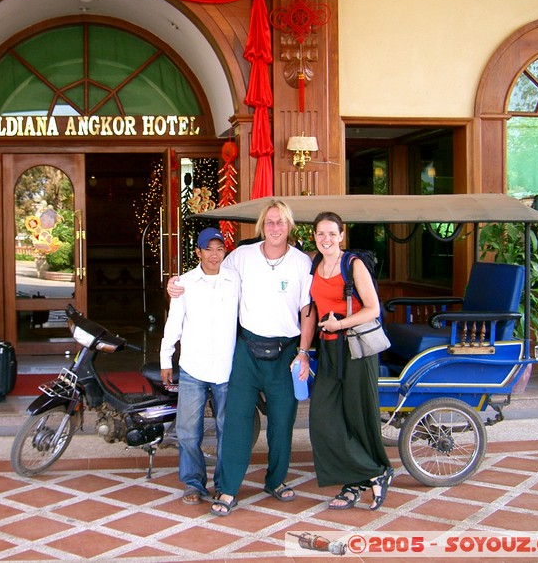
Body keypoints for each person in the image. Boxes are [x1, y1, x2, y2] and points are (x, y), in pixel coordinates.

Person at [168, 199, 316, 517]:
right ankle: (228, 489)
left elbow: (307, 312)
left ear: (289, 226)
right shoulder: (241, 257)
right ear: (262, 225)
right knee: (235, 421)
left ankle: (275, 481)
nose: (276, 227)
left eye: (281, 222)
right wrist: (176, 283)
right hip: (246, 351)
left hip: (286, 352)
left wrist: (303, 352)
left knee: (281, 422)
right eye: (271, 221)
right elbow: (209, 272)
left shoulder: (302, 263)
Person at [307, 211, 393, 510]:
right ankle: (372, 473)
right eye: (321, 234)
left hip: (356, 349)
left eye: (332, 233)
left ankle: (358, 481)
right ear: (314, 236)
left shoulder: (352, 264)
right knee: (322, 417)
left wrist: (339, 325)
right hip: (329, 351)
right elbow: (312, 310)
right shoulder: (315, 264)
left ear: (342, 235)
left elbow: (373, 309)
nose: (326, 239)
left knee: (357, 415)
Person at [160, 227, 240, 505]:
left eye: (220, 249)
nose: (215, 254)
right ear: (198, 252)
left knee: (226, 429)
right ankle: (193, 483)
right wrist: (165, 357)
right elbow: (174, 323)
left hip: (227, 368)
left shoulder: (235, 280)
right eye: (209, 249)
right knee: (187, 430)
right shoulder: (185, 283)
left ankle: (223, 482)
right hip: (193, 366)